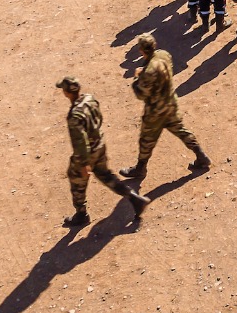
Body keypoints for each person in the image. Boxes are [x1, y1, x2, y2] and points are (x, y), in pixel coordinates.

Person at [57, 76, 148, 229]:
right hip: (100, 144)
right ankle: (134, 198)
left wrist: (83, 164)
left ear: (67, 93)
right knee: (106, 176)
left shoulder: (74, 116)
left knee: (76, 180)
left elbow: (80, 142)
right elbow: (99, 117)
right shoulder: (90, 99)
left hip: (88, 152)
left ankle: (81, 214)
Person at [120, 33, 209, 183]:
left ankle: (140, 168)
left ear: (141, 50)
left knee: (146, 140)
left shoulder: (148, 72)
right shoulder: (164, 55)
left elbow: (141, 94)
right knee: (181, 130)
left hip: (156, 111)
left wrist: (136, 78)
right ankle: (201, 156)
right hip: (171, 103)